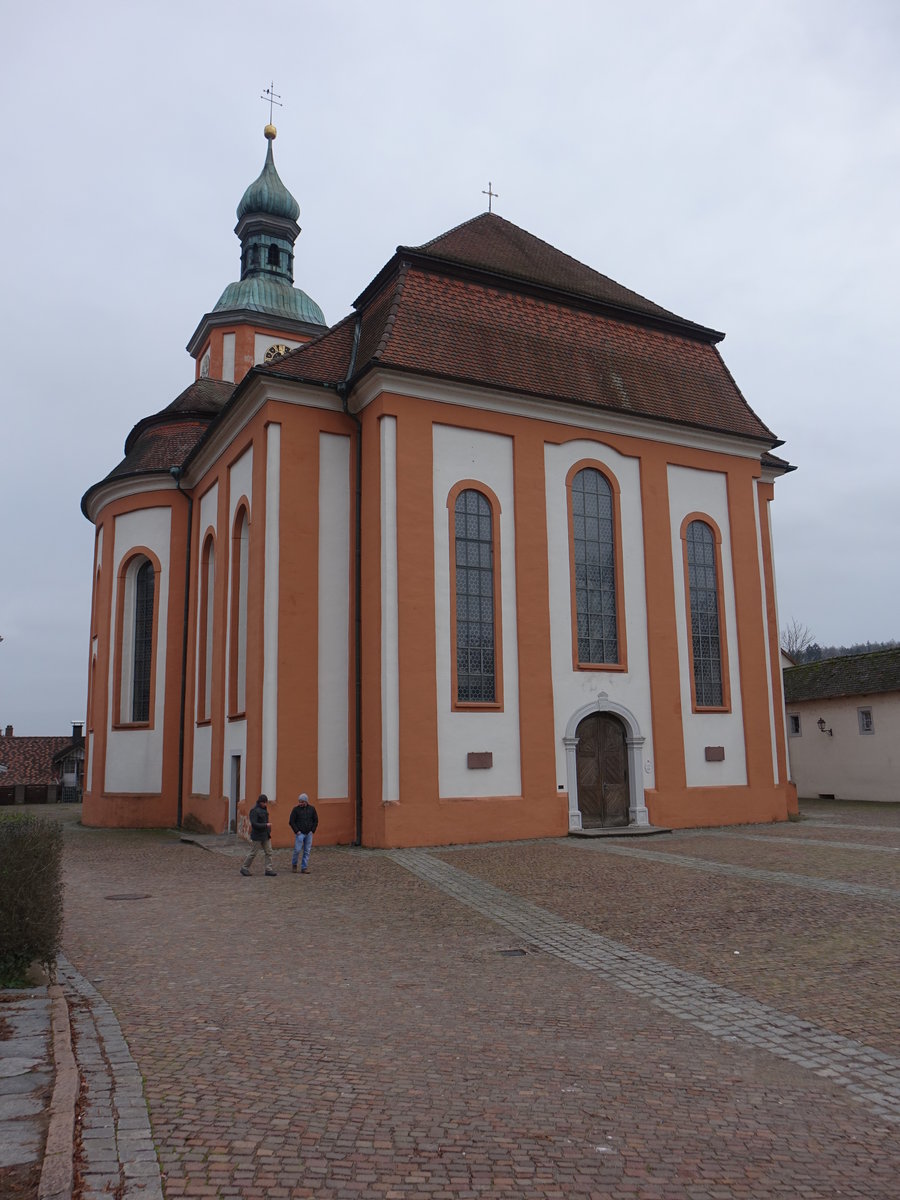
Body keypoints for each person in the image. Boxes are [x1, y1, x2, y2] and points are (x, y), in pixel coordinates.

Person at [240, 794, 277, 876]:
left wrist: (268, 830)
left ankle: (269, 869)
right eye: (264, 803)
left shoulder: (264, 810)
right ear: (260, 802)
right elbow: (254, 824)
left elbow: (266, 821)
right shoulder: (254, 811)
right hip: (257, 836)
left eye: (266, 803)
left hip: (265, 835)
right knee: (253, 853)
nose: (266, 804)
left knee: (269, 852)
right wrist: (265, 825)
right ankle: (244, 868)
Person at [289, 793, 318, 874]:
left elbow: (315, 820)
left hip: (309, 833)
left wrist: (312, 830)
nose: (300, 803)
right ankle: (294, 864)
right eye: (299, 801)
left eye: (302, 802)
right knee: (297, 850)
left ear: (306, 802)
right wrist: (297, 831)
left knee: (307, 851)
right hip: (300, 833)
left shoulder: (312, 809)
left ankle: (304, 867)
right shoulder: (295, 810)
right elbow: (291, 821)